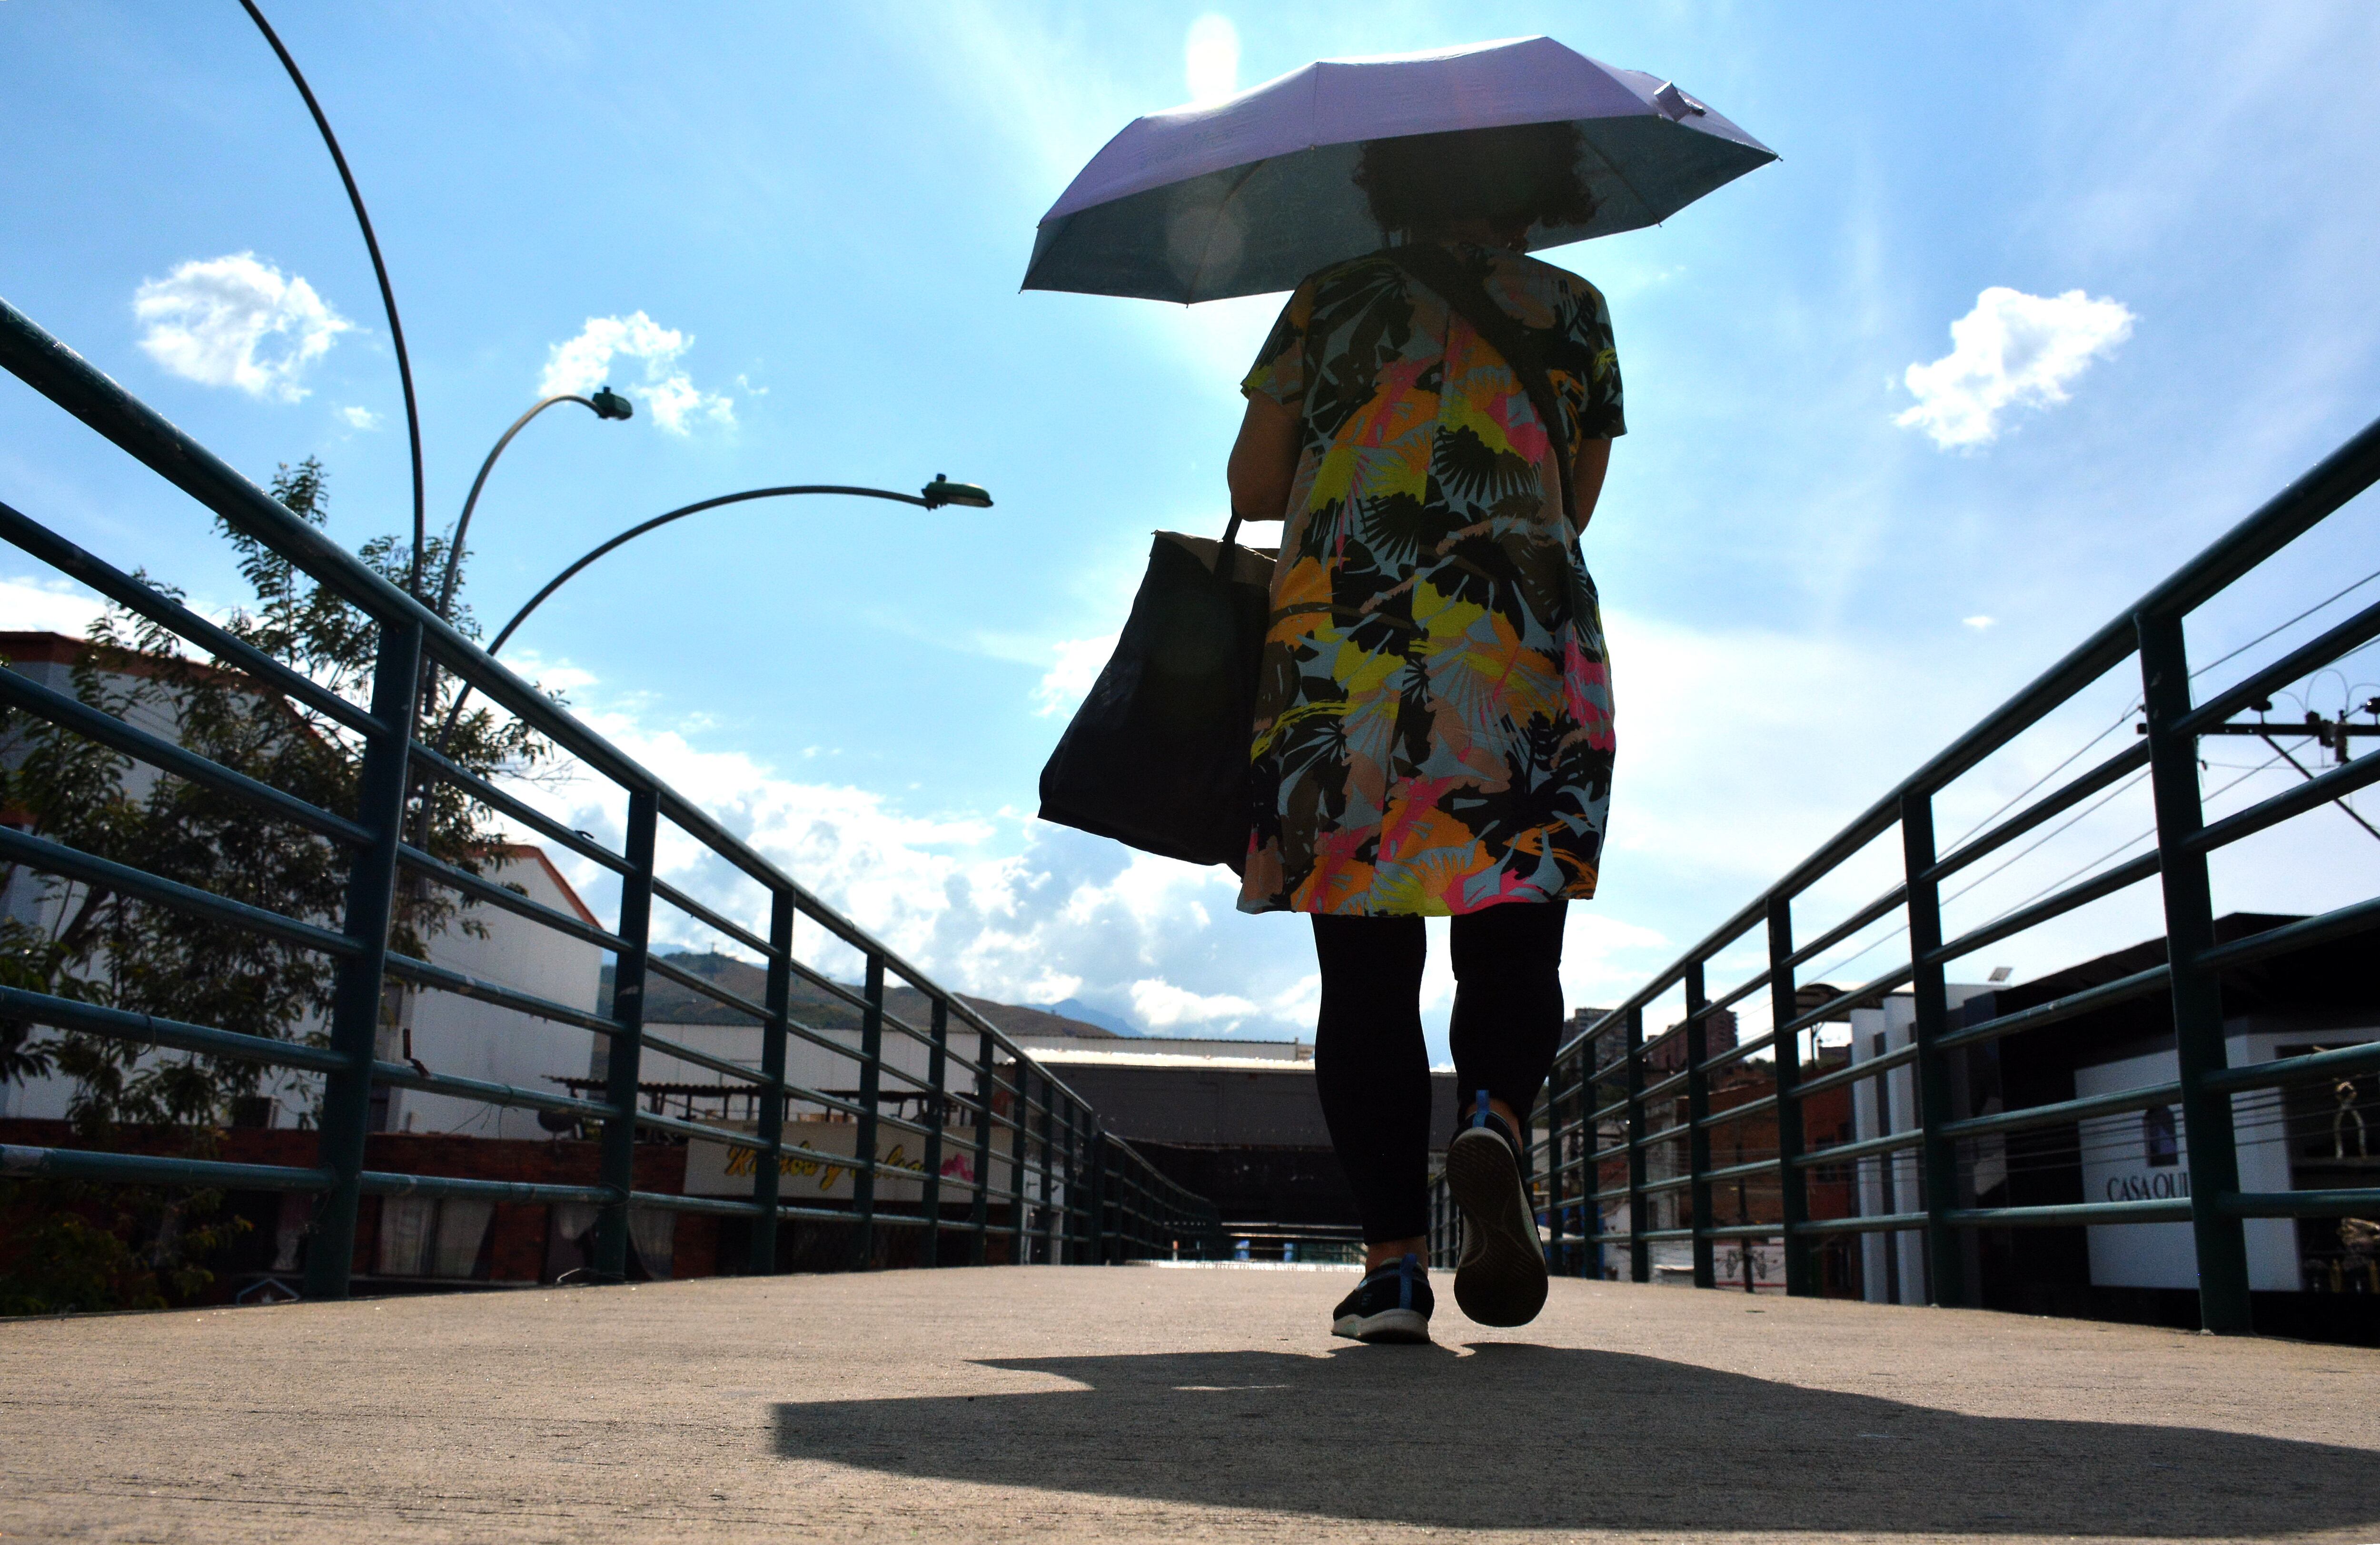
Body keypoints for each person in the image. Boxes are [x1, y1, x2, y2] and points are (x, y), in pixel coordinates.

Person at [1224, 122, 1623, 1344]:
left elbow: (1253, 487)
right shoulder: (1574, 309)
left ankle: (1392, 1271)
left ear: (1389, 183)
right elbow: (1577, 498)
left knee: (1364, 973)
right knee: (1512, 934)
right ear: (1543, 184)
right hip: (1514, 645)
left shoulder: (1329, 298)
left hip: (1342, 655)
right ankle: (1494, 1119)